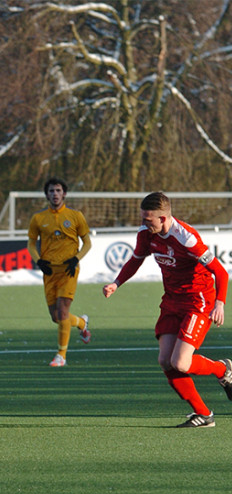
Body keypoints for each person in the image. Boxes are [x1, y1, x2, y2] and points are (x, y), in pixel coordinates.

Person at [103, 191, 231, 428]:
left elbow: (221, 273)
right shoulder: (146, 234)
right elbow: (136, 259)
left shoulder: (186, 238)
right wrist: (116, 283)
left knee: (181, 363)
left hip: (198, 301)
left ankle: (223, 369)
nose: (143, 223)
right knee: (165, 361)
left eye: (147, 219)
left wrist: (220, 304)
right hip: (172, 301)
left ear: (163, 218)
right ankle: (204, 415)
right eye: (142, 218)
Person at [27, 178, 92, 367]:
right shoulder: (38, 219)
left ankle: (61, 355)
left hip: (69, 270)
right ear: (46, 195)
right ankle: (81, 323)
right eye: (51, 191)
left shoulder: (75, 216)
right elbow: (31, 243)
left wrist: (76, 259)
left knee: (63, 312)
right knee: (56, 316)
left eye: (58, 190)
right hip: (49, 272)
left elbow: (87, 242)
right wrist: (38, 260)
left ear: (64, 193)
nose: (55, 194)